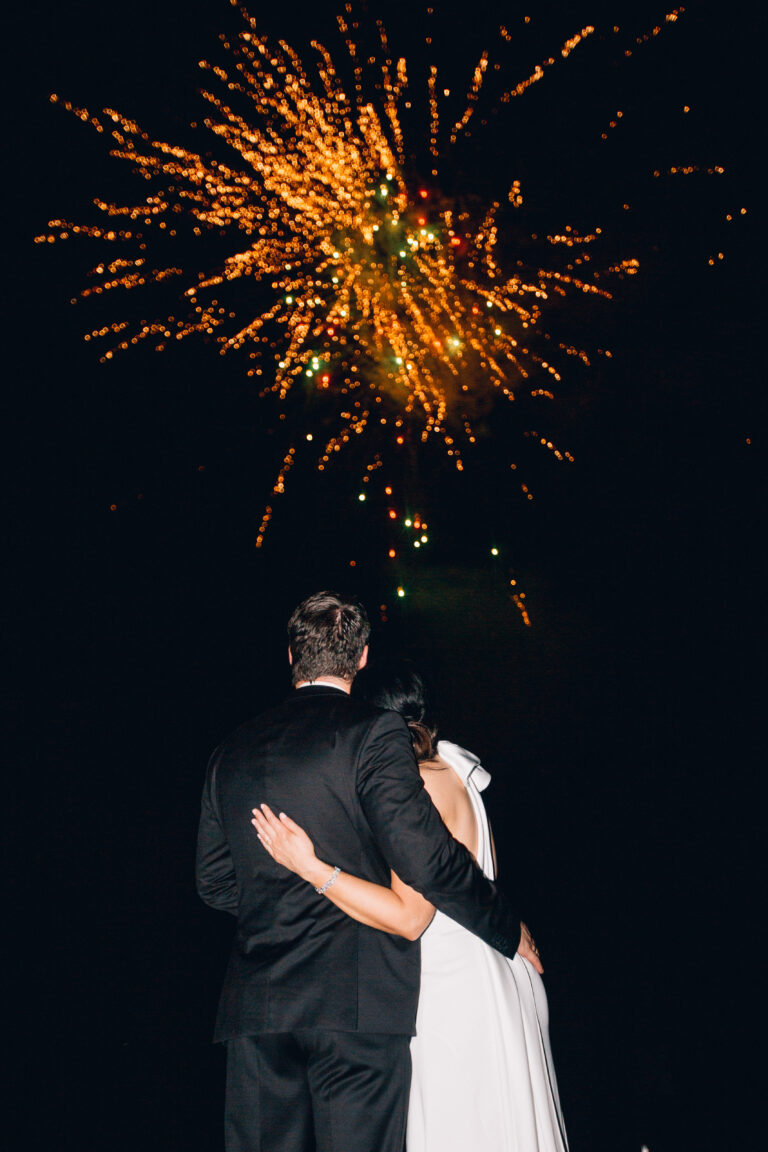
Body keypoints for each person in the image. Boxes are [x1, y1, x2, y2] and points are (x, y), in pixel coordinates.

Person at [196, 591, 540, 1152]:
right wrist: (504, 926)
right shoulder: (374, 733)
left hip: (258, 1009)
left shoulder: (229, 751)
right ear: (360, 658)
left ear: (290, 657)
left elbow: (212, 881)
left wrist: (280, 901)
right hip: (357, 1002)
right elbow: (430, 860)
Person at [252, 662, 568, 1152]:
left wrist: (311, 867)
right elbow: (474, 882)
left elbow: (408, 914)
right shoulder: (456, 771)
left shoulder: (411, 784)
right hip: (500, 971)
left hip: (451, 987)